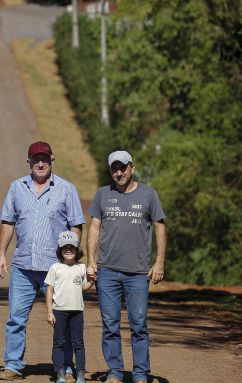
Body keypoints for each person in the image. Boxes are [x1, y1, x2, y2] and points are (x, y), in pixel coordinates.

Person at [0, 141, 85, 381]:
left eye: (45, 159)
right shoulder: (16, 188)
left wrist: (71, 261)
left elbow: (76, 226)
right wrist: (1, 253)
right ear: (29, 162)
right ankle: (13, 365)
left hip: (55, 268)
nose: (41, 163)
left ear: (52, 161)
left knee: (63, 320)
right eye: (36, 159)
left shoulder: (67, 189)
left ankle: (65, 366)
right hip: (23, 266)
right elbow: (8, 223)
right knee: (15, 318)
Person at [86, 151, 167, 383]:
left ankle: (140, 374)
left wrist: (159, 262)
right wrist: (90, 261)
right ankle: (115, 372)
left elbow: (160, 226)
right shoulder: (102, 194)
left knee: (139, 325)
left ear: (133, 167)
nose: (119, 173)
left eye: (123, 168)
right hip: (107, 271)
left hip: (138, 273)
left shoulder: (148, 194)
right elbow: (94, 228)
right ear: (110, 170)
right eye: (114, 169)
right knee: (110, 325)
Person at [45, 231, 93, 383]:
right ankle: (60, 373)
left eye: (72, 247)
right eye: (64, 247)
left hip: (77, 311)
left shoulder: (81, 267)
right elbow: (49, 290)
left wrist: (91, 281)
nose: (68, 250)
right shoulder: (55, 268)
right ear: (60, 251)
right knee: (59, 342)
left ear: (77, 249)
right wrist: (50, 312)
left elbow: (83, 287)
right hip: (59, 311)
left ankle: (80, 373)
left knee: (78, 343)